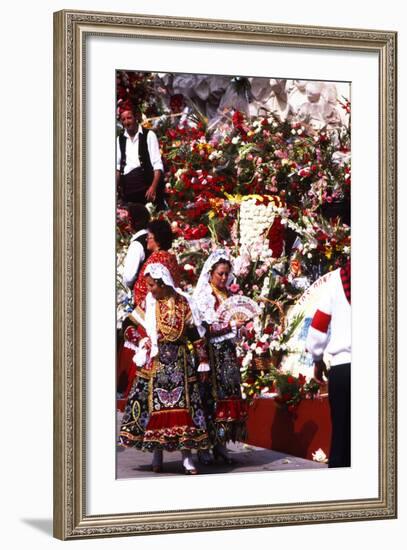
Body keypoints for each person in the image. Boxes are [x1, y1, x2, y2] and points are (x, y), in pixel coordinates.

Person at [119, 263, 211, 474]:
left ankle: (187, 458)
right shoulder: (148, 304)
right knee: (155, 407)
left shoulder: (183, 303)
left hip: (180, 362)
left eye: (152, 285)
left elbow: (195, 333)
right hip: (157, 360)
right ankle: (156, 454)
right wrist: (142, 339)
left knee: (184, 409)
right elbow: (128, 324)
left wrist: (203, 359)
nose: (149, 289)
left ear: (162, 283)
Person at [193, 249, 248, 464]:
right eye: (220, 274)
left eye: (227, 274)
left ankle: (221, 443)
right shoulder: (204, 296)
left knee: (228, 395)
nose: (224, 278)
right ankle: (204, 446)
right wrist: (230, 325)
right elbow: (205, 328)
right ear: (210, 273)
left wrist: (240, 328)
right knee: (209, 397)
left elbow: (233, 322)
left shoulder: (230, 295)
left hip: (227, 353)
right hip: (210, 355)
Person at [306, 259, 351, 468]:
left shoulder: (337, 279)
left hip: (343, 367)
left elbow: (319, 323)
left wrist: (317, 359)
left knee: (342, 435)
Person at [116, 104, 165, 208]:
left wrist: (153, 187)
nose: (127, 122)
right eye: (123, 119)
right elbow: (117, 168)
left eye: (129, 118)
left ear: (136, 117)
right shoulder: (119, 140)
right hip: (129, 188)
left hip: (146, 185)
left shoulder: (149, 135)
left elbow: (157, 164)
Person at [133, 219, 180, 309]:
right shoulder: (170, 257)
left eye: (149, 237)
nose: (146, 240)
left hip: (152, 309)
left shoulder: (156, 259)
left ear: (157, 240)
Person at [122, 203, 151, 291]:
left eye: (128, 220)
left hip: (144, 291)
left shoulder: (136, 244)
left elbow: (128, 278)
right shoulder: (151, 236)